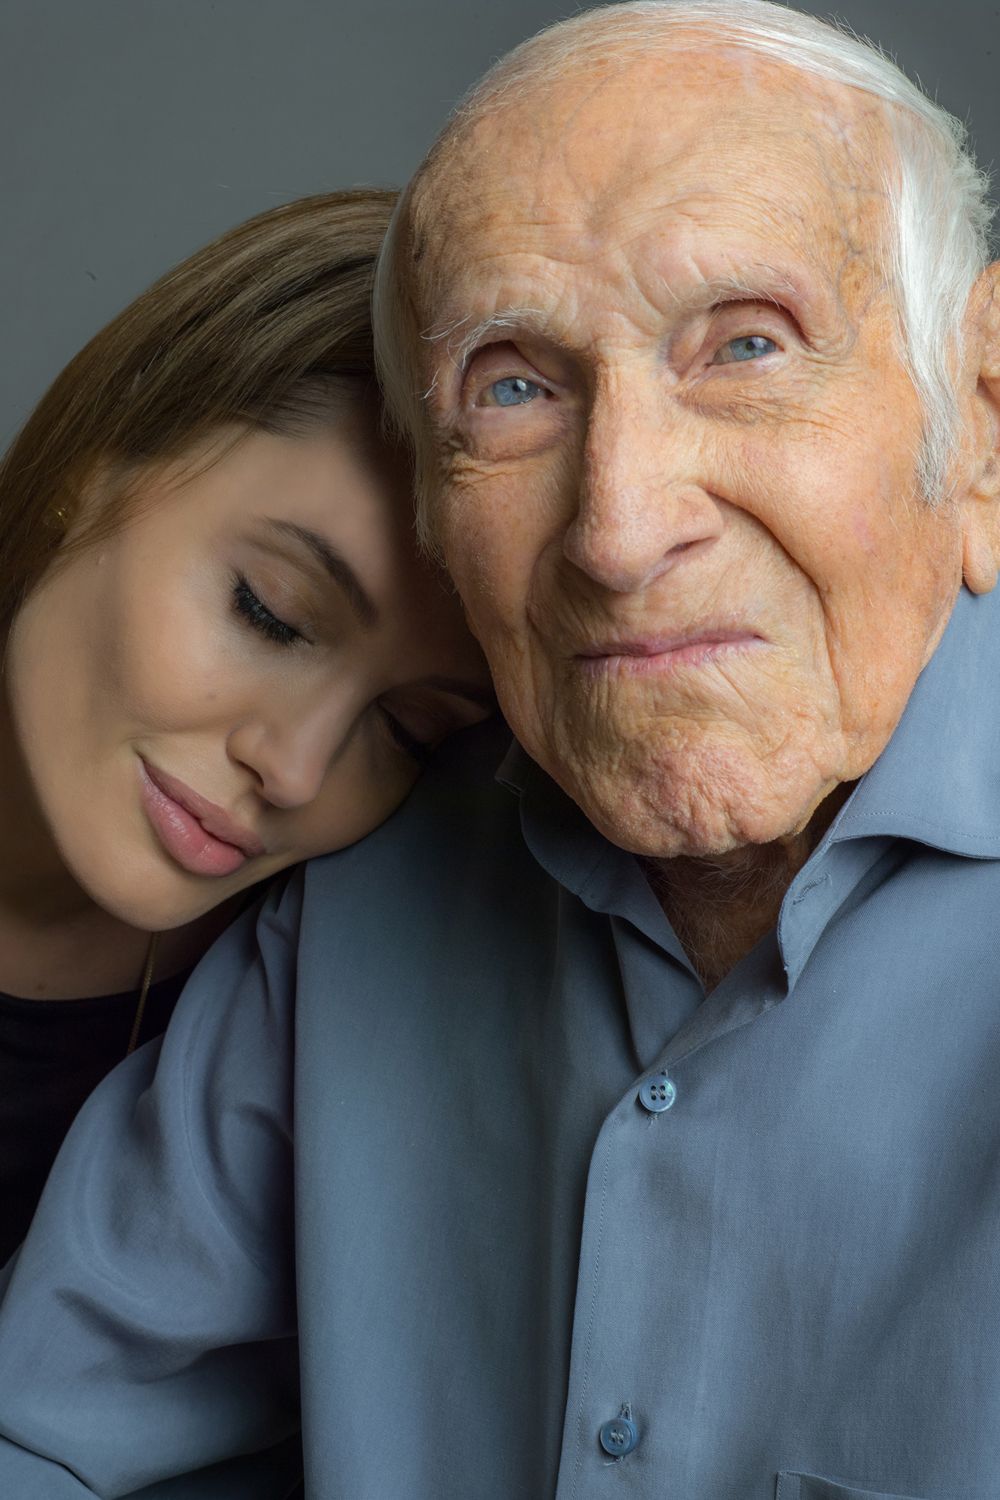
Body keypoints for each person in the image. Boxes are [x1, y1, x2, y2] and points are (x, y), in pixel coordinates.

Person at [2, 2, 1000, 1496]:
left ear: (981, 423)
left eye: (745, 343)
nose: (618, 527)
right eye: (516, 386)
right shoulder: (358, 905)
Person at [0, 187, 491, 1266]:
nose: (296, 768)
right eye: (269, 612)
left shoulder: (328, 1004)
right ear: (93, 472)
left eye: (405, 731)